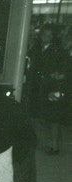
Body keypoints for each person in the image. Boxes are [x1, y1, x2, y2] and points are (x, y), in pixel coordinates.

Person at [27, 23, 69, 155]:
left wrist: (59, 75)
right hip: (37, 86)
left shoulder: (58, 50)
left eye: (49, 35)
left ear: (53, 37)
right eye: (44, 34)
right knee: (40, 116)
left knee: (52, 117)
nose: (46, 37)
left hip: (51, 86)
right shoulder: (36, 48)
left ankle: (54, 146)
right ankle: (44, 143)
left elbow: (65, 67)